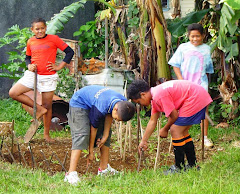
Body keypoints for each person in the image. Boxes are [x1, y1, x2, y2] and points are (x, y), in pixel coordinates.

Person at [9, 18, 74, 142]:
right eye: (37, 29)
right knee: (13, 92)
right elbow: (28, 58)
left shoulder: (53, 39)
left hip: (48, 77)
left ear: (46, 28)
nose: (40, 31)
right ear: (32, 30)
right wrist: (29, 65)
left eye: (42, 28)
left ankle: (46, 135)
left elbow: (69, 52)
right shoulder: (31, 41)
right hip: (33, 74)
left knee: (47, 105)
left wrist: (59, 66)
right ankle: (39, 109)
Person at [127, 79, 212, 174]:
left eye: (139, 101)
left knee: (175, 130)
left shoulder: (158, 95)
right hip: (198, 95)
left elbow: (174, 115)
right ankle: (193, 164)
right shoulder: (155, 97)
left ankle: (179, 167)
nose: (140, 104)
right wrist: (144, 141)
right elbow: (152, 121)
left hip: (195, 97)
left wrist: (165, 129)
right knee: (182, 132)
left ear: (143, 94)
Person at [64, 85, 136, 185]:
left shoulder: (122, 102)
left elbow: (109, 114)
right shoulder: (101, 106)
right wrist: (91, 151)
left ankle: (104, 169)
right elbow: (93, 128)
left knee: (106, 134)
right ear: (116, 109)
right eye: (117, 119)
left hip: (95, 102)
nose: (116, 121)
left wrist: (105, 136)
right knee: (82, 134)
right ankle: (70, 174)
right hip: (79, 103)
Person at [168, 23, 214, 147]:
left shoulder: (207, 49)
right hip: (184, 85)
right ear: (188, 36)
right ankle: (180, 134)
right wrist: (181, 80)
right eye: (192, 36)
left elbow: (208, 69)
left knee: (204, 111)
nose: (195, 39)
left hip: (200, 85)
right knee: (180, 109)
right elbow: (175, 64)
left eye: (197, 36)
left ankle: (205, 137)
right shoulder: (183, 48)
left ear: (203, 36)